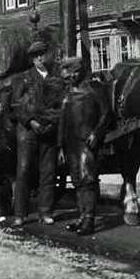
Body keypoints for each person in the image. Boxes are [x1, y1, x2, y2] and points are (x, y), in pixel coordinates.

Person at [9, 40, 64, 227]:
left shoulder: (56, 79)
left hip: (49, 131)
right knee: (23, 171)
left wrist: (52, 124)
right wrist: (30, 121)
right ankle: (20, 214)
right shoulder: (22, 78)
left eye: (43, 54)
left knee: (48, 172)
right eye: (37, 55)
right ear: (32, 59)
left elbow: (60, 106)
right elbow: (16, 105)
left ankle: (45, 212)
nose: (41, 58)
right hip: (27, 132)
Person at [58, 56, 113, 236]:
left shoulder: (94, 89)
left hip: (86, 142)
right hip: (70, 144)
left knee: (87, 180)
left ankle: (89, 219)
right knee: (77, 181)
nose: (68, 79)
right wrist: (60, 147)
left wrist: (96, 133)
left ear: (78, 72)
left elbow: (106, 114)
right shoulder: (67, 93)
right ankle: (82, 217)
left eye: (70, 75)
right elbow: (62, 122)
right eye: (66, 77)